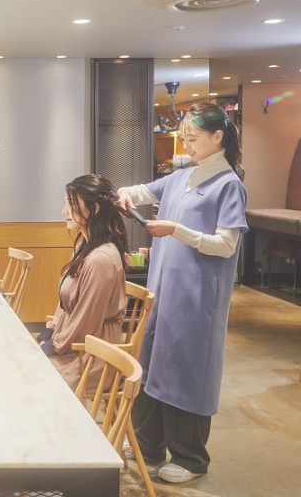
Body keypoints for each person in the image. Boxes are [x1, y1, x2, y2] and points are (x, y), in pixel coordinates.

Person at [116, 102, 247, 485]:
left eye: (193, 138)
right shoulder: (180, 177)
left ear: (217, 137)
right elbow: (138, 191)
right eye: (183, 138)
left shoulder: (228, 185)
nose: (186, 145)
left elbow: (226, 244)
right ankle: (148, 447)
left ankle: (191, 458)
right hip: (161, 293)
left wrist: (176, 230)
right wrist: (124, 194)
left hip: (197, 299)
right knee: (152, 364)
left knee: (186, 372)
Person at [36, 174, 128, 391]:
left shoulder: (100, 259)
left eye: (71, 205)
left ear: (94, 209)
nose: (64, 211)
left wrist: (53, 345)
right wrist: (50, 332)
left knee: (31, 376)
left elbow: (86, 322)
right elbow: (66, 303)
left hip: (93, 354)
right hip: (75, 342)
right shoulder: (85, 247)